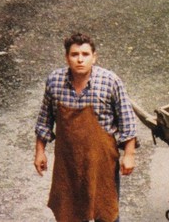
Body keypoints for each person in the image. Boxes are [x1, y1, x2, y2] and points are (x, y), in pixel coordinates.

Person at [34, 32, 138, 222]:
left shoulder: (110, 82)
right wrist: (40, 151)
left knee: (105, 212)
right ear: (67, 58)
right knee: (69, 212)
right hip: (68, 163)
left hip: (102, 162)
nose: (80, 59)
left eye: (85, 54)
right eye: (74, 55)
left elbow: (127, 121)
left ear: (94, 57)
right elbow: (44, 120)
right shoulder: (55, 82)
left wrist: (129, 155)